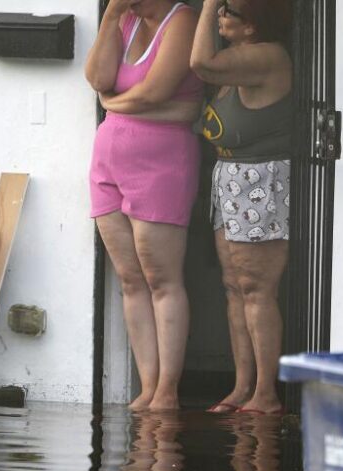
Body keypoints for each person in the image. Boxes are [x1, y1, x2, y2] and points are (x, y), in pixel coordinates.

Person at [84, 0, 204, 410]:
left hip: (162, 163)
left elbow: (156, 91)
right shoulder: (126, 20)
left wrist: (112, 103)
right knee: (129, 279)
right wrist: (111, 17)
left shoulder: (182, 18)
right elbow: (96, 77)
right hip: (109, 161)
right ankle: (148, 386)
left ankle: (167, 389)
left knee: (161, 277)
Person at [190, 0, 293, 415]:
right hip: (230, 178)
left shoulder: (267, 55)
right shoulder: (236, 63)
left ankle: (266, 394)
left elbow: (200, 62)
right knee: (234, 288)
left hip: (260, 182)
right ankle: (242, 387)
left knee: (256, 289)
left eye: (227, 8)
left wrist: (207, 2)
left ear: (252, 25)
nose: (218, 13)